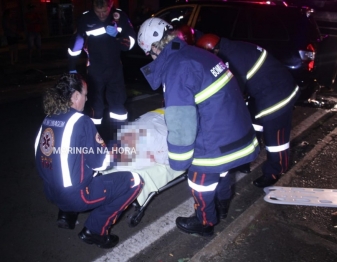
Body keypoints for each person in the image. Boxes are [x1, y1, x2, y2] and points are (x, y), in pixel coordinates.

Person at [137, 18, 260, 236]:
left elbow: (181, 122)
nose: (151, 57)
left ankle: (205, 222)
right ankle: (222, 206)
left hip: (217, 138)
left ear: (155, 48)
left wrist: (179, 160)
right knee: (221, 173)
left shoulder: (177, 68)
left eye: (149, 53)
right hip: (236, 132)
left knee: (199, 180)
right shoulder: (196, 54)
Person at [34, 73, 144, 248]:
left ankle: (66, 214)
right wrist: (116, 149)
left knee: (72, 165)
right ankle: (95, 231)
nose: (86, 99)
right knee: (134, 181)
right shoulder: (81, 121)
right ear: (75, 96)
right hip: (75, 196)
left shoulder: (49, 118)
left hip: (50, 191)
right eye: (85, 95)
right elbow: (100, 163)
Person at [196, 34, 300, 188]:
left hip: (278, 93)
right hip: (262, 89)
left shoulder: (233, 59)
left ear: (214, 50)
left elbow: (232, 93)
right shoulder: (229, 47)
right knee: (249, 126)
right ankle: (244, 161)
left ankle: (274, 172)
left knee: (276, 139)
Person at [67, 0, 136, 126]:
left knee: (118, 106)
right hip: (95, 71)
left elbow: (130, 42)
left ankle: (119, 135)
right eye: (98, 12)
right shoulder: (86, 18)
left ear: (110, 6)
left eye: (104, 11)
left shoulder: (119, 17)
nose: (101, 15)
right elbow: (76, 44)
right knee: (95, 104)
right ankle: (94, 135)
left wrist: (117, 36)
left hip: (115, 69)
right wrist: (72, 68)